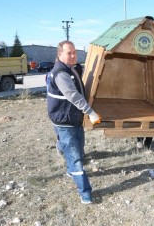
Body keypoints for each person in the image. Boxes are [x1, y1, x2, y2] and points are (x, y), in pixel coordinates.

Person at [46, 40, 101, 204]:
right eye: (69, 53)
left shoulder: (72, 68)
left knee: (78, 148)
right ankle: (85, 194)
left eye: (74, 52)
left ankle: (68, 163)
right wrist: (90, 112)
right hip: (64, 120)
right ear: (60, 54)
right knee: (77, 157)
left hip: (73, 119)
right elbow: (73, 95)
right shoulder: (61, 73)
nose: (73, 55)